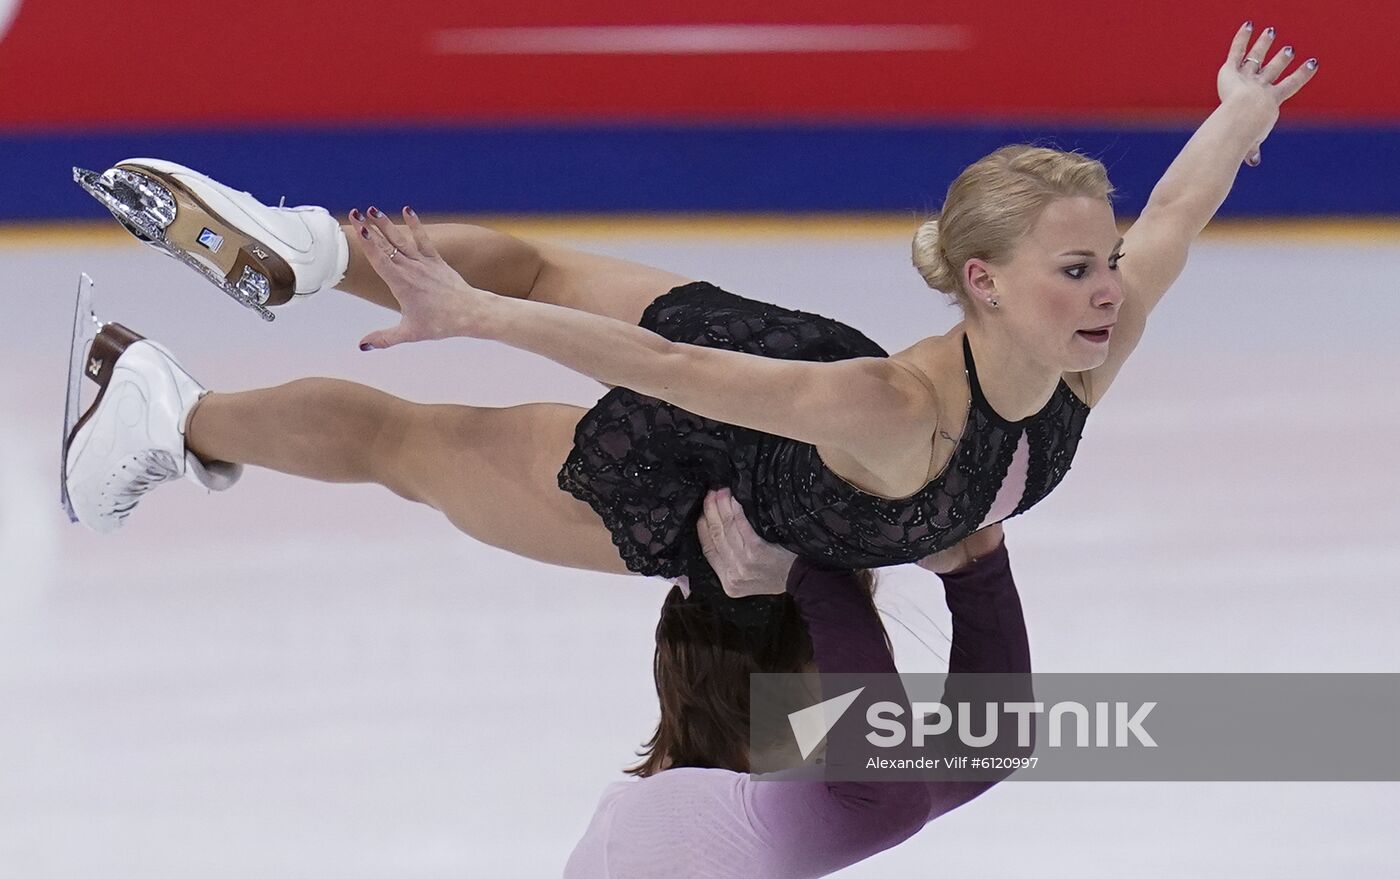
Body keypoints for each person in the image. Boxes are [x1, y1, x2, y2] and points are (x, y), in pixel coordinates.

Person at [65, 26, 1315, 616]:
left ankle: (316, 248)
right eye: (1073, 269)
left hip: (777, 347)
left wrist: (1238, 117)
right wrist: (475, 314)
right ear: (982, 281)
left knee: (550, 263)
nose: (1105, 288)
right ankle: (173, 412)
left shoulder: (1083, 356)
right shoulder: (896, 411)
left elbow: (1175, 216)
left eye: (1102, 267)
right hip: (692, 467)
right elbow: (663, 370)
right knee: (412, 448)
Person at [564, 492, 1025, 878]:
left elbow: (987, 739)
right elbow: (887, 798)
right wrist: (812, 580)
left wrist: (976, 567)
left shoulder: (711, 813)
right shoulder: (664, 824)